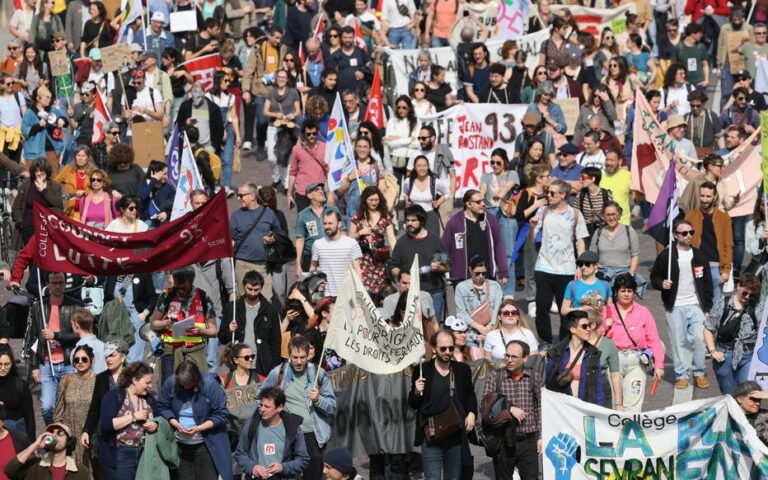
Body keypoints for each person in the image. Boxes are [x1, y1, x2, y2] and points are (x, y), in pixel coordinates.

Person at [260, 335, 337, 480]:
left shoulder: (319, 374)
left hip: (313, 436)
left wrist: (318, 400)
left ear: (309, 355)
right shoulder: (279, 372)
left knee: (313, 476)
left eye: (303, 357)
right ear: (288, 355)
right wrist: (275, 413)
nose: (299, 361)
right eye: (295, 357)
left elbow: (332, 407)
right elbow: (260, 397)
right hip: (288, 436)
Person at [650, 219, 713, 390]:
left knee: (700, 340)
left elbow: (707, 283)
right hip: (675, 305)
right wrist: (662, 283)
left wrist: (707, 308)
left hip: (696, 305)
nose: (689, 236)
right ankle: (682, 375)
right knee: (677, 341)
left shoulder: (699, 255)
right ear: (676, 235)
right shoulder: (667, 256)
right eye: (684, 233)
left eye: (691, 232)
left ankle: (699, 372)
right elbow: (654, 277)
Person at [408, 331, 477, 480]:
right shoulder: (422, 370)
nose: (447, 352)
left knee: (453, 477)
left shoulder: (461, 370)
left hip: (454, 433)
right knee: (432, 477)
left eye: (451, 348)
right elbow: (413, 404)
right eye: (443, 348)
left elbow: (470, 394)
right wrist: (416, 392)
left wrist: (472, 413)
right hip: (431, 435)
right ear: (433, 348)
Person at [531, 179, 589, 350]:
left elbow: (580, 241)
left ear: (563, 194)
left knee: (567, 310)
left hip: (567, 268)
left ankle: (564, 341)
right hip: (544, 266)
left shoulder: (575, 214)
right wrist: (531, 227)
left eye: (552, 193)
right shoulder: (543, 211)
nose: (548, 196)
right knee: (542, 305)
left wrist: (581, 265)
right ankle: (546, 340)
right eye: (548, 192)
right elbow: (531, 238)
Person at [157, 361, 232, 480]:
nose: (185, 387)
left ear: (196, 380)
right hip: (181, 445)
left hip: (205, 445)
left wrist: (199, 428)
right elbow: (162, 405)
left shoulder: (210, 384)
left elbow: (221, 413)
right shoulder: (171, 382)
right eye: (182, 384)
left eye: (188, 384)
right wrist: (174, 422)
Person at [27, 271, 82, 426]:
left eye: (60, 283)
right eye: (54, 283)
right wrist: (34, 366)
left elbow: (80, 335)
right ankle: (55, 433)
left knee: (71, 406)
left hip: (68, 361)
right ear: (48, 284)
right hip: (46, 363)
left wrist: (56, 335)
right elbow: (33, 338)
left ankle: (69, 438)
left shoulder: (75, 305)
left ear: (65, 284)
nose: (57, 286)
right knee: (47, 407)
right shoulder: (39, 307)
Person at [481, 340, 542, 480]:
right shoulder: (496, 377)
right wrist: (509, 407)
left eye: (514, 356)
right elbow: (485, 404)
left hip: (528, 439)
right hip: (503, 439)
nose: (509, 360)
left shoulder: (534, 377)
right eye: (507, 355)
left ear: (525, 358)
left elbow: (539, 408)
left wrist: (540, 437)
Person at [150, 268, 219, 381]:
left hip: (195, 350)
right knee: (169, 385)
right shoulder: (167, 295)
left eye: (184, 288)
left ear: (191, 282)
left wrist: (201, 331)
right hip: (171, 350)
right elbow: (154, 324)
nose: (180, 291)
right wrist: (166, 322)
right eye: (178, 287)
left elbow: (214, 331)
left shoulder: (203, 297)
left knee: (199, 385)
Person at [704, 273, 763, 395]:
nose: (747, 297)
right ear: (738, 287)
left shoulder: (757, 307)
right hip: (724, 355)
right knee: (729, 395)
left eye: (751, 295)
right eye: (745, 293)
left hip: (748, 355)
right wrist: (713, 351)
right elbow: (708, 328)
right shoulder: (723, 304)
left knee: (746, 393)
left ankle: (744, 414)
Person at [98, 361, 159, 480]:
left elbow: (159, 418)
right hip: (121, 453)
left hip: (144, 453)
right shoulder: (114, 396)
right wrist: (133, 417)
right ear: (135, 380)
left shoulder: (148, 398)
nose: (150, 386)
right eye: (147, 382)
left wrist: (155, 424)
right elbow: (107, 424)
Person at [390, 205, 450, 322]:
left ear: (422, 221)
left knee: (433, 332)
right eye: (407, 220)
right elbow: (393, 266)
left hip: (433, 294)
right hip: (409, 294)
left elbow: (447, 266)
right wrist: (401, 275)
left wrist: (438, 267)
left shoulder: (434, 240)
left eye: (413, 220)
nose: (409, 223)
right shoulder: (401, 243)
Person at [235, 385, 310, 479]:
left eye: (267, 406)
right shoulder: (251, 425)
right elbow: (240, 454)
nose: (262, 409)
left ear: (280, 407)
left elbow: (303, 459)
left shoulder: (293, 428)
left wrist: (283, 467)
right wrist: (253, 467)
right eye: (261, 405)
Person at [219, 270, 282, 378]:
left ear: (261, 287)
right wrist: (229, 330)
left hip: (261, 365)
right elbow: (222, 337)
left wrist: (273, 368)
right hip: (238, 365)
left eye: (256, 290)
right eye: (249, 289)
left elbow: (275, 343)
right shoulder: (232, 308)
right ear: (244, 285)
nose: (252, 293)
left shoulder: (270, 310)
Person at [442, 189, 509, 284]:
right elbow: (444, 247)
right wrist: (445, 271)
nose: (483, 204)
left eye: (483, 200)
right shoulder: (455, 222)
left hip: (486, 275)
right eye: (478, 202)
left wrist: (503, 272)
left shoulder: (490, 220)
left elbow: (498, 246)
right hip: (462, 277)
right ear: (468, 204)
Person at [231, 183, 284, 298]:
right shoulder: (236, 216)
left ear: (252, 196)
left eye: (241, 195)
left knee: (266, 299)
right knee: (244, 300)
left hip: (263, 266)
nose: (238, 198)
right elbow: (231, 238)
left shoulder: (269, 214)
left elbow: (280, 235)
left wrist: (273, 239)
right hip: (242, 265)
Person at [684, 182, 734, 304]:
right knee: (697, 303)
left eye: (708, 196)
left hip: (716, 267)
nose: (704, 199)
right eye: (702, 196)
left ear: (715, 196)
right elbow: (684, 244)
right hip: (696, 265)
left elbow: (728, 245)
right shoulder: (690, 217)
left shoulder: (723, 218)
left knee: (716, 306)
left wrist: (726, 270)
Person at [545, 311, 604, 406]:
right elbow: (547, 381)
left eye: (589, 325)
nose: (589, 329)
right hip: (562, 407)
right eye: (584, 326)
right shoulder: (557, 353)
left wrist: (600, 409)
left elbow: (598, 386)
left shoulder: (593, 353)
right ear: (573, 329)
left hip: (585, 406)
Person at [53, 345, 96, 472]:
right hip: (70, 436)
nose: (80, 362)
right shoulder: (66, 380)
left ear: (91, 359)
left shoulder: (98, 380)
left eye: (84, 359)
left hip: (88, 436)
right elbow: (58, 411)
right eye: (76, 360)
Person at [81, 341, 127, 454]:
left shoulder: (132, 376)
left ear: (123, 357)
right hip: (106, 431)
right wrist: (86, 430)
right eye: (106, 356)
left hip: (128, 431)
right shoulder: (101, 378)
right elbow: (95, 407)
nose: (108, 359)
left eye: (112, 355)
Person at [349, 186, 395, 295]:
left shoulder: (385, 217)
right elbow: (349, 239)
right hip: (362, 260)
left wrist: (396, 257)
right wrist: (360, 232)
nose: (374, 203)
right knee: (364, 292)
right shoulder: (357, 217)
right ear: (365, 200)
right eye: (371, 200)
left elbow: (392, 239)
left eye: (376, 200)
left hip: (379, 261)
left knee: (381, 292)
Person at [4, 422, 88, 480]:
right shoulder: (34, 466)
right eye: (51, 432)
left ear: (68, 441)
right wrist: (35, 445)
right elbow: (9, 470)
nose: (54, 435)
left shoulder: (80, 471)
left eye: (60, 433)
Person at [11, 157, 63, 249]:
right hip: (29, 225)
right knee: (32, 254)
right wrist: (21, 223)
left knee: (45, 254)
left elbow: (58, 204)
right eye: (36, 171)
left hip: (47, 226)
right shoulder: (26, 185)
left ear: (46, 171)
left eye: (42, 171)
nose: (39, 173)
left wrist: (43, 191)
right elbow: (16, 206)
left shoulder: (55, 186)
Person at [310, 210, 363, 297]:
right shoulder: (318, 244)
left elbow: (357, 270)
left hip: (347, 295)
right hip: (325, 296)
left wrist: (359, 293)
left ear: (339, 224)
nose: (327, 226)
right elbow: (313, 267)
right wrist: (314, 285)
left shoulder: (351, 243)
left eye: (330, 223)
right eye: (325, 223)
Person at [455, 257, 503, 347]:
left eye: (483, 273)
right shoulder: (461, 287)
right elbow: (461, 312)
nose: (481, 276)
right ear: (470, 270)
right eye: (477, 273)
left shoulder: (495, 286)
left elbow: (498, 309)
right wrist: (480, 328)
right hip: (470, 334)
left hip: (492, 331)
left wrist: (489, 328)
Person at [589, 202, 640, 283]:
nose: (611, 217)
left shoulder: (629, 231)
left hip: (624, 275)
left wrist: (631, 275)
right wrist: (595, 273)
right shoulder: (598, 232)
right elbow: (592, 256)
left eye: (614, 214)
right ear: (604, 216)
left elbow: (635, 255)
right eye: (608, 215)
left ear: (619, 215)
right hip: (602, 276)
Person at [288, 120, 328, 213]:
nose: (311, 136)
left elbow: (329, 171)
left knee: (320, 222)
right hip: (302, 192)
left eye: (314, 133)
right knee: (304, 222)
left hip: (319, 191)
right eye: (308, 134)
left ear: (317, 133)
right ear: (304, 134)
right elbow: (293, 172)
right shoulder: (297, 149)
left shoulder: (324, 148)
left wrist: (330, 194)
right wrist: (289, 193)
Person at [402, 155, 449, 236]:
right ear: (414, 167)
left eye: (424, 165)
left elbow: (447, 193)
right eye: (419, 166)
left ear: (428, 167)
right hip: (414, 216)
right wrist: (407, 200)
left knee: (431, 243)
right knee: (414, 243)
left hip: (430, 215)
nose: (422, 168)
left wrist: (438, 202)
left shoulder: (435, 181)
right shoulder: (409, 181)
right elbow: (404, 193)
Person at [561, 251, 613, 320]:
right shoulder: (572, 285)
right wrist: (581, 309)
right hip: (579, 325)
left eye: (587, 264)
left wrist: (609, 319)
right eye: (580, 264)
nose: (583, 267)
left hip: (600, 326)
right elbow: (564, 310)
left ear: (595, 266)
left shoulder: (605, 285)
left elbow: (610, 308)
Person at [0, 346, 35, 440]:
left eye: (6, 364)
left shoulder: (20, 385)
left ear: (12, 364)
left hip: (16, 435)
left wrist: (32, 443)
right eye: (0, 364)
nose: (3, 368)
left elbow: (29, 416)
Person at [671, 22, 709, 92]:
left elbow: (705, 65)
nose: (701, 35)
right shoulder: (678, 48)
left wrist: (706, 80)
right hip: (685, 84)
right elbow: (673, 67)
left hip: (699, 83)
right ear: (693, 34)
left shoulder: (701, 47)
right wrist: (679, 80)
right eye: (700, 33)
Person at [70, 308, 106, 374]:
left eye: (71, 324)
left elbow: (79, 378)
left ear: (76, 325)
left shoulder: (76, 352)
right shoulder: (104, 345)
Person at [732, 381, 768, 446]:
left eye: (759, 400)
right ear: (739, 399)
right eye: (753, 399)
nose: (758, 403)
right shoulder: (729, 417)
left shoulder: (764, 415)